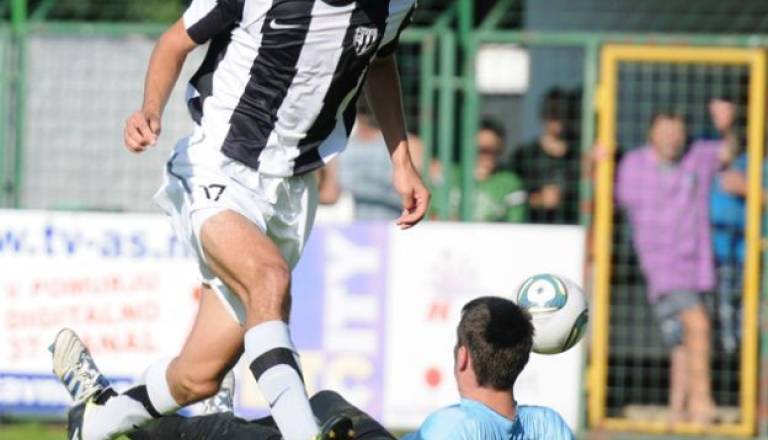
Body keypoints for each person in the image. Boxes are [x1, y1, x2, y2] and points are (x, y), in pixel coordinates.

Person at [52, 1, 429, 439]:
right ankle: (302, 432)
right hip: (219, 164)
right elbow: (174, 41)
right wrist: (150, 108)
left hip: (293, 189)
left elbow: (379, 60)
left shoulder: (395, 5)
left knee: (198, 378)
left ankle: (98, 420)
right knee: (269, 280)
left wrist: (401, 160)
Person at [52, 298, 573, 440]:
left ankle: (97, 413)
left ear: (462, 357)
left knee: (224, 433)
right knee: (322, 405)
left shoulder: (453, 427)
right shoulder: (550, 426)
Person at [616, 111, 728, 425]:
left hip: (698, 267)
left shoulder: (698, 155)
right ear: (651, 133)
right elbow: (613, 196)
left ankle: (677, 409)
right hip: (662, 266)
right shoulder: (634, 165)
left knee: (680, 340)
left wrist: (727, 127)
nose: (672, 138)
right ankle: (702, 402)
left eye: (678, 132)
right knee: (698, 325)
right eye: (665, 131)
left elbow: (729, 150)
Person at [706, 96, 746, 354]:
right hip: (711, 252)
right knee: (715, 319)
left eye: (724, 109)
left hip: (746, 250)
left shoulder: (755, 151)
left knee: (746, 319)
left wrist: (748, 188)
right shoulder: (703, 146)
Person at [431, 118, 527, 222]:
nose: (487, 156)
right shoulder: (446, 176)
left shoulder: (511, 184)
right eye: (481, 149)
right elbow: (432, 216)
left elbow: (515, 224)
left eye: (493, 150)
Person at [509, 88, 580, 224]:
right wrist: (539, 199)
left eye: (564, 113)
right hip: (533, 229)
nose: (558, 120)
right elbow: (510, 197)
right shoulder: (524, 156)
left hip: (572, 230)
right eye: (553, 113)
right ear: (543, 116)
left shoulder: (578, 158)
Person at [337, 99, 405, 220]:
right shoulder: (341, 145)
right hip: (351, 221)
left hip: (393, 219)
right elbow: (331, 192)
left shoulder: (401, 144)